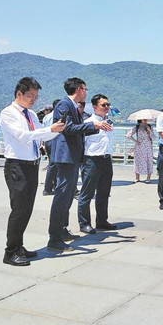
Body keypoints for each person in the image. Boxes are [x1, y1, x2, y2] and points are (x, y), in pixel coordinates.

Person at [0, 77, 65, 266]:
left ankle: (19, 246)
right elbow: (22, 136)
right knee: (19, 209)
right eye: (30, 96)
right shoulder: (8, 113)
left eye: (35, 97)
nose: (33, 100)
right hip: (17, 166)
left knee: (27, 209)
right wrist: (49, 129)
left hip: (31, 165)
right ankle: (10, 252)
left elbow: (40, 135)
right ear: (19, 93)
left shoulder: (31, 115)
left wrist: (57, 130)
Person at [48, 78, 112, 252]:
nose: (86, 92)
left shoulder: (72, 106)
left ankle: (62, 230)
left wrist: (94, 126)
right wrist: (93, 125)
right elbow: (67, 129)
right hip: (66, 156)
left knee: (68, 196)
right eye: (85, 89)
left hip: (72, 156)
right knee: (62, 196)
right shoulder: (64, 105)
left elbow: (75, 129)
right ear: (79, 89)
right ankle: (54, 238)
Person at [78, 94, 117, 234]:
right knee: (87, 193)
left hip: (106, 159)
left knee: (104, 193)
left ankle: (101, 220)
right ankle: (84, 223)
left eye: (108, 104)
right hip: (92, 160)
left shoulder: (109, 122)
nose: (107, 107)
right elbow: (81, 141)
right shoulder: (88, 123)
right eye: (103, 105)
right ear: (95, 107)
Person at [41, 99, 61, 195]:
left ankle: (54, 185)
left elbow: (43, 130)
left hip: (47, 141)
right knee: (53, 164)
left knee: (53, 163)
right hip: (54, 140)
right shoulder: (57, 116)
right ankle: (48, 188)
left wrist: (42, 143)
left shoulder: (47, 117)